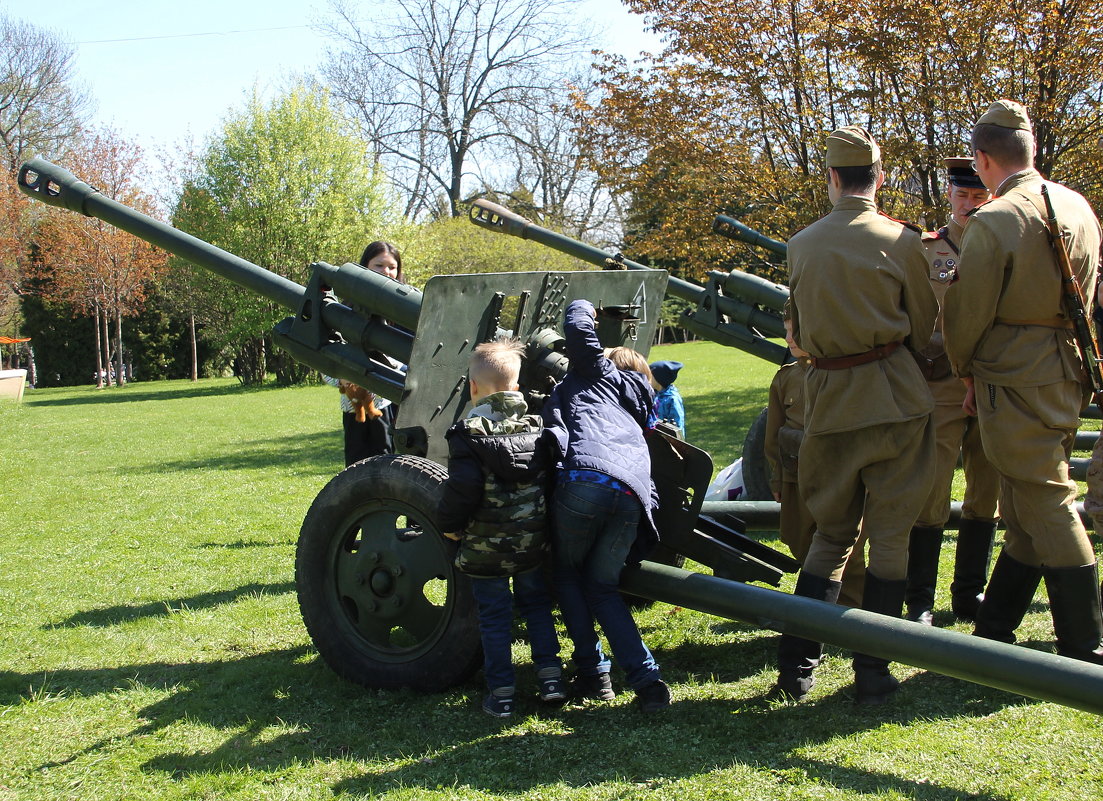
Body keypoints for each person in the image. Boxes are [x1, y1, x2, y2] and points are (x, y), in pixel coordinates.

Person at [775, 126, 938, 705]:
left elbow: (796, 331)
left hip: (829, 399)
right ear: (880, 177)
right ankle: (874, 671)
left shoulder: (801, 244)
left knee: (830, 537)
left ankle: (796, 665)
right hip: (895, 396)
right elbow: (922, 326)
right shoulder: (903, 241)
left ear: (833, 178)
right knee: (890, 538)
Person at [943, 99, 1103, 663]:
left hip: (1013, 377)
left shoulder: (994, 219)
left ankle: (1084, 645)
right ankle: (995, 629)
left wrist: (964, 369)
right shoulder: (1078, 206)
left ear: (983, 159)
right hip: (1068, 370)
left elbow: (967, 313)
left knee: (1046, 497)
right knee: (1023, 499)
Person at [542, 299, 672, 712]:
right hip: (632, 497)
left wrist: (586, 305)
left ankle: (594, 673)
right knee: (601, 589)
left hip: (586, 481)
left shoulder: (601, 374)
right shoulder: (638, 404)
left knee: (565, 575)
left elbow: (580, 333)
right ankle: (647, 681)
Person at [436, 336, 564, 718]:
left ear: (473, 388)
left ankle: (503, 692)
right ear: (518, 387)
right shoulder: (538, 427)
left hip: (485, 548)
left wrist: (450, 526)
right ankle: (551, 678)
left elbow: (463, 489)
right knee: (538, 606)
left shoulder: (466, 434)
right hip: (531, 543)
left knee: (493, 616)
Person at [905, 158, 1001, 625]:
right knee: (932, 487)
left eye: (979, 196)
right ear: (949, 195)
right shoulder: (925, 249)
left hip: (992, 382)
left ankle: (969, 594)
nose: (970, 204)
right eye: (962, 196)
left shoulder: (1001, 244)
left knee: (987, 488)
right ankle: (919, 597)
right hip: (941, 383)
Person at [765, 313, 866, 608]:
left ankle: (854, 608)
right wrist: (776, 477)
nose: (789, 339)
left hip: (839, 476)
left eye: (795, 331)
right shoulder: (786, 377)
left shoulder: (843, 371)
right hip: (796, 474)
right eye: (785, 332)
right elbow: (773, 433)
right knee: (798, 538)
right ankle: (821, 604)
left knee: (849, 546)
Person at [324, 241, 404, 466]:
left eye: (392, 266)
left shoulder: (405, 311)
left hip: (388, 405)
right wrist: (342, 376)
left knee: (388, 463)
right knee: (356, 467)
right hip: (353, 407)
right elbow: (327, 360)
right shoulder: (345, 311)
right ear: (365, 266)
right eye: (379, 265)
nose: (386, 272)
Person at [649, 360, 686, 437]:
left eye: (649, 375)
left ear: (659, 379)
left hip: (666, 441)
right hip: (652, 437)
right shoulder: (652, 394)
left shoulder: (672, 399)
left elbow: (678, 426)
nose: (646, 378)